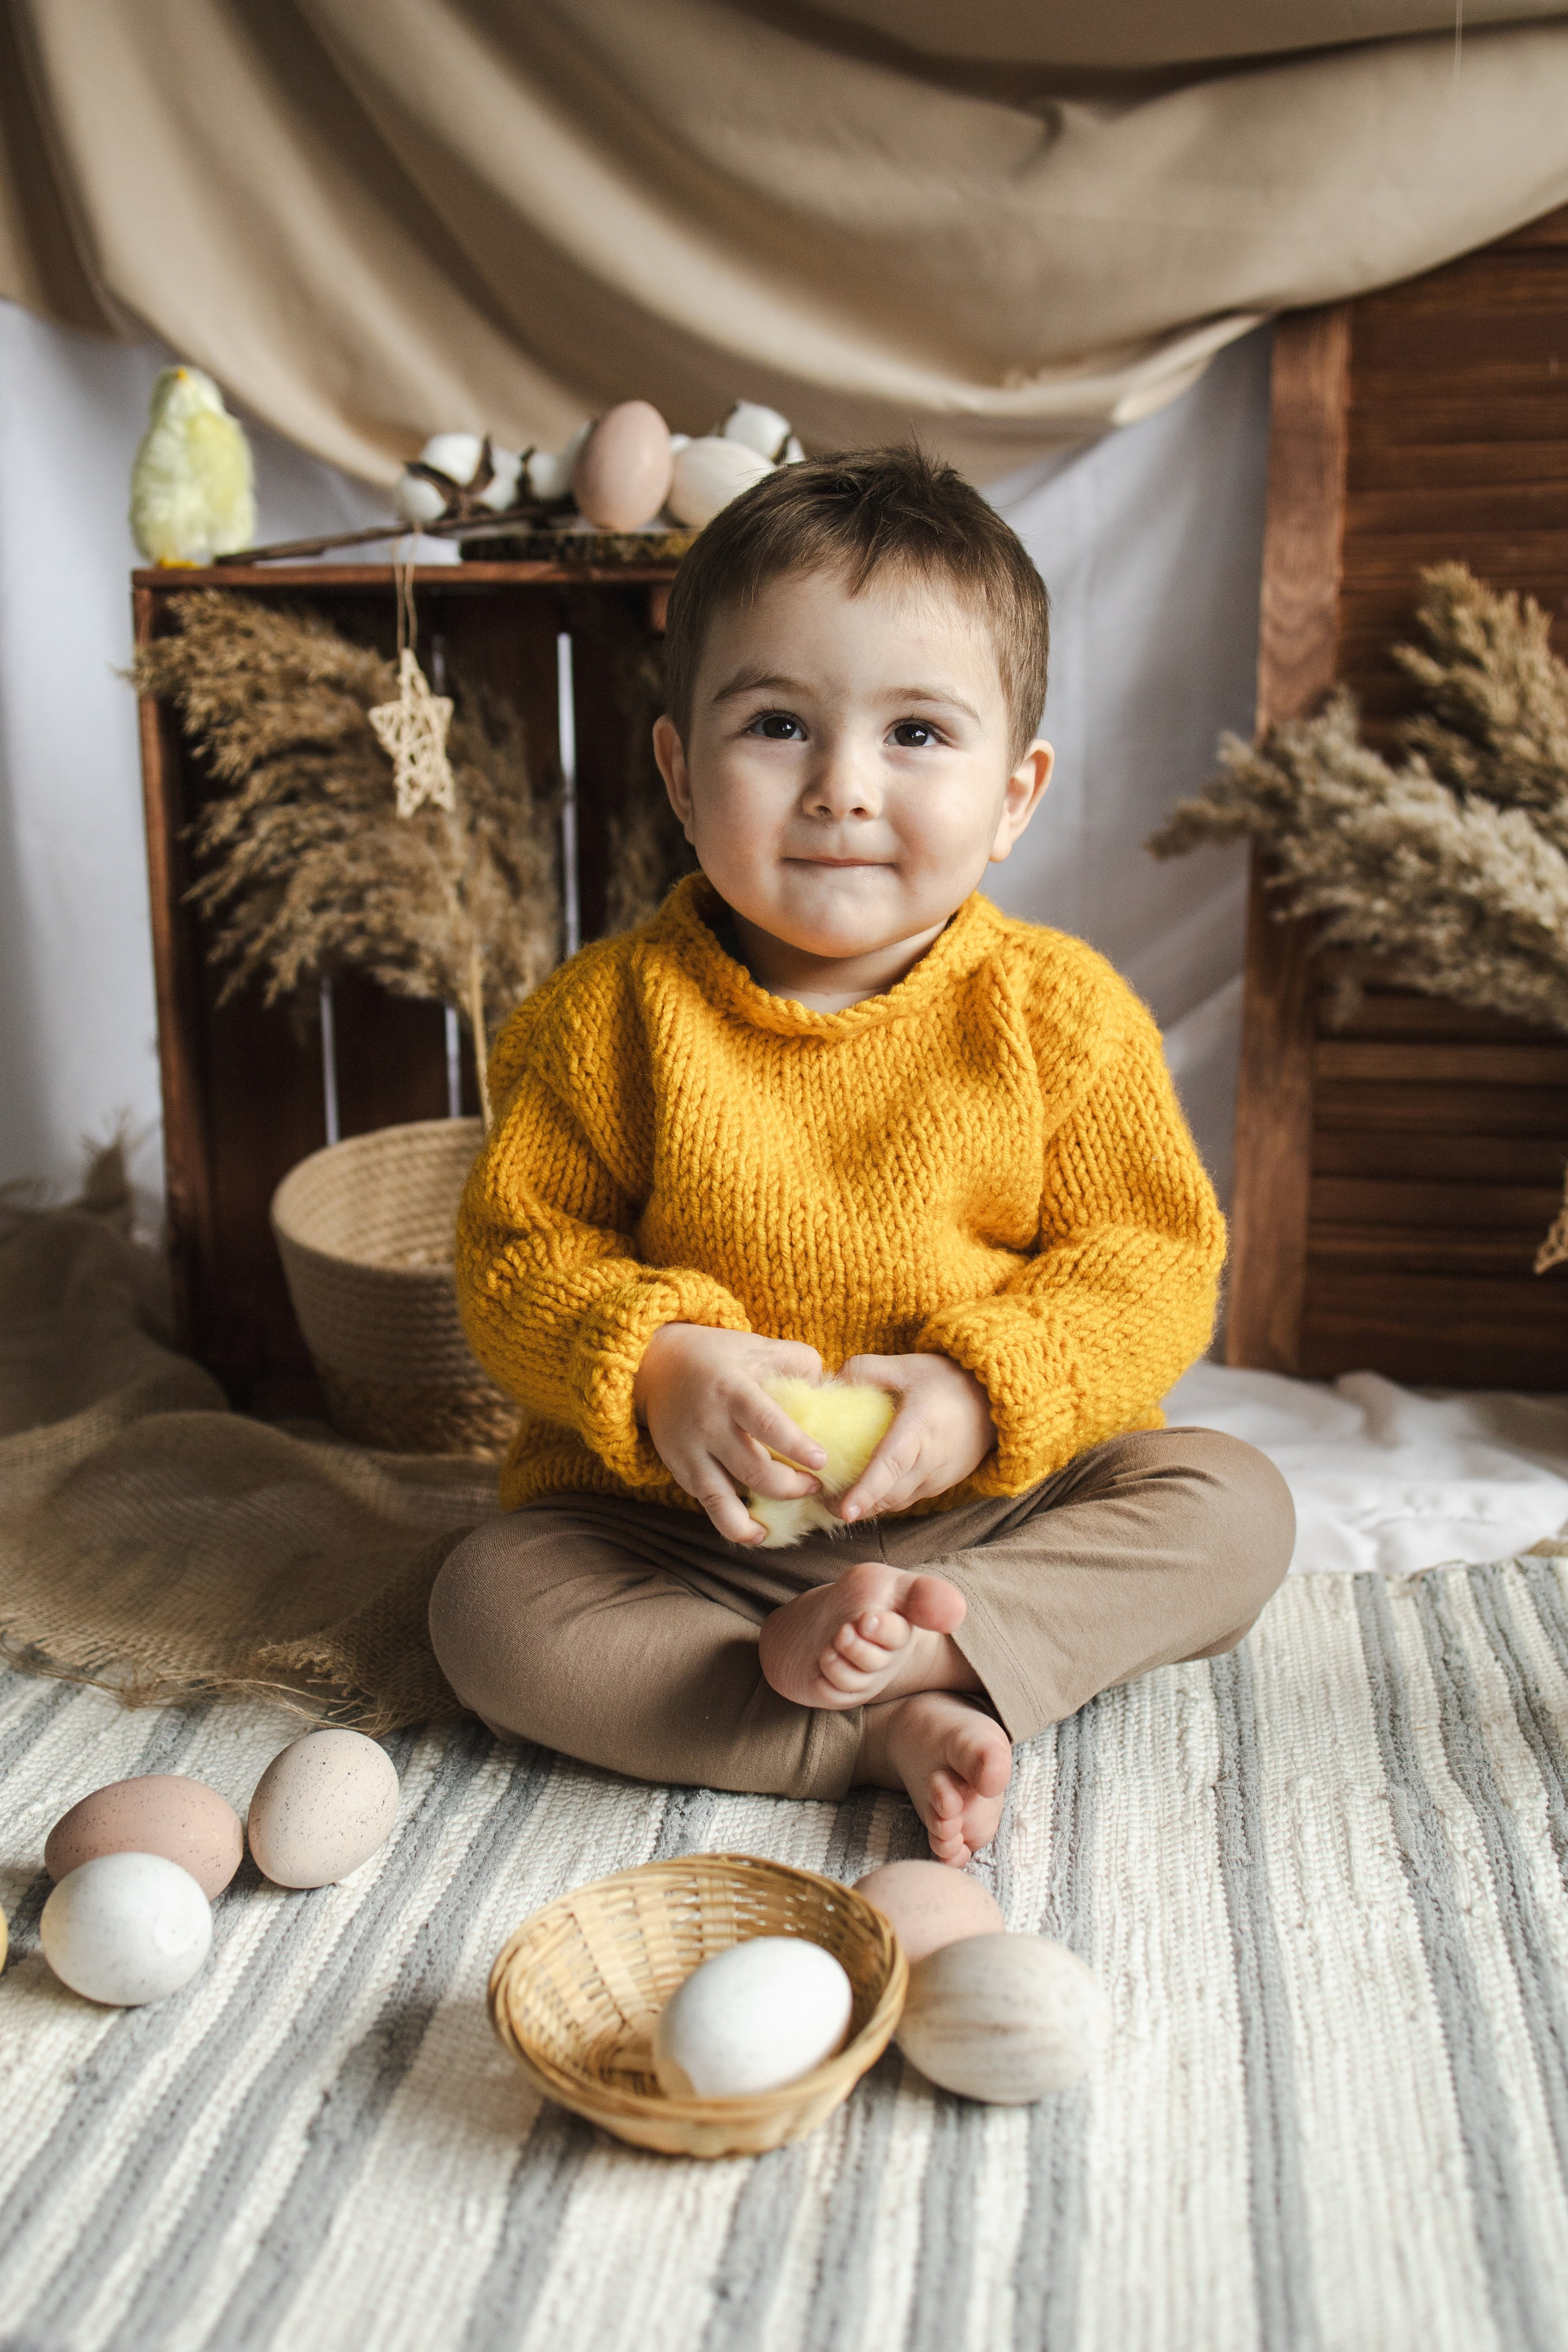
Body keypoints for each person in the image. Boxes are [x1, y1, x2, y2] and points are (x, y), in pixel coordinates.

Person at [430, 447, 1294, 1865]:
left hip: (986, 1513)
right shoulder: (604, 1019)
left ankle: (948, 1647)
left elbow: (1147, 1267)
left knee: (1232, 1507)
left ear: (1014, 795)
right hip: (688, 1535)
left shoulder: (1056, 1015)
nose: (840, 787)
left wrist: (977, 1392)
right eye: (776, 724)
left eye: (914, 735)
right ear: (676, 770)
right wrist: (655, 1366)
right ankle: (881, 1723)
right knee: (489, 1608)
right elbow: (515, 1260)